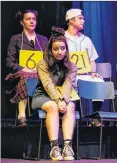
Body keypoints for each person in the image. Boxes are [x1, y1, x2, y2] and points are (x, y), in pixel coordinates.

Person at [31, 27, 77, 161]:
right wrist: (58, 101)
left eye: (62, 48)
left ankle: (67, 146)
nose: (59, 51)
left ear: (66, 49)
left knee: (71, 106)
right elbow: (48, 85)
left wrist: (63, 100)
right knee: (52, 106)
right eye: (56, 48)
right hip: (42, 96)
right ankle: (54, 147)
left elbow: (68, 85)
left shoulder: (71, 66)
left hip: (62, 96)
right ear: (50, 49)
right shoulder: (42, 64)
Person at [5, 9, 48, 127]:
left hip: (39, 73)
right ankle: (22, 115)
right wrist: (23, 68)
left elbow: (48, 61)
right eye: (28, 19)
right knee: (25, 76)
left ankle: (47, 112)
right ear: (22, 22)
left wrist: (41, 69)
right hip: (20, 74)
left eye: (34, 19)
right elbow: (9, 62)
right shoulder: (16, 39)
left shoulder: (43, 40)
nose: (32, 22)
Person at [64, 8, 104, 126]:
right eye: (80, 18)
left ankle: (95, 117)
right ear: (71, 20)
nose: (83, 21)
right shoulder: (62, 38)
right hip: (68, 76)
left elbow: (92, 60)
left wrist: (93, 72)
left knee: (99, 81)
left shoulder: (86, 40)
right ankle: (73, 117)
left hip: (84, 75)